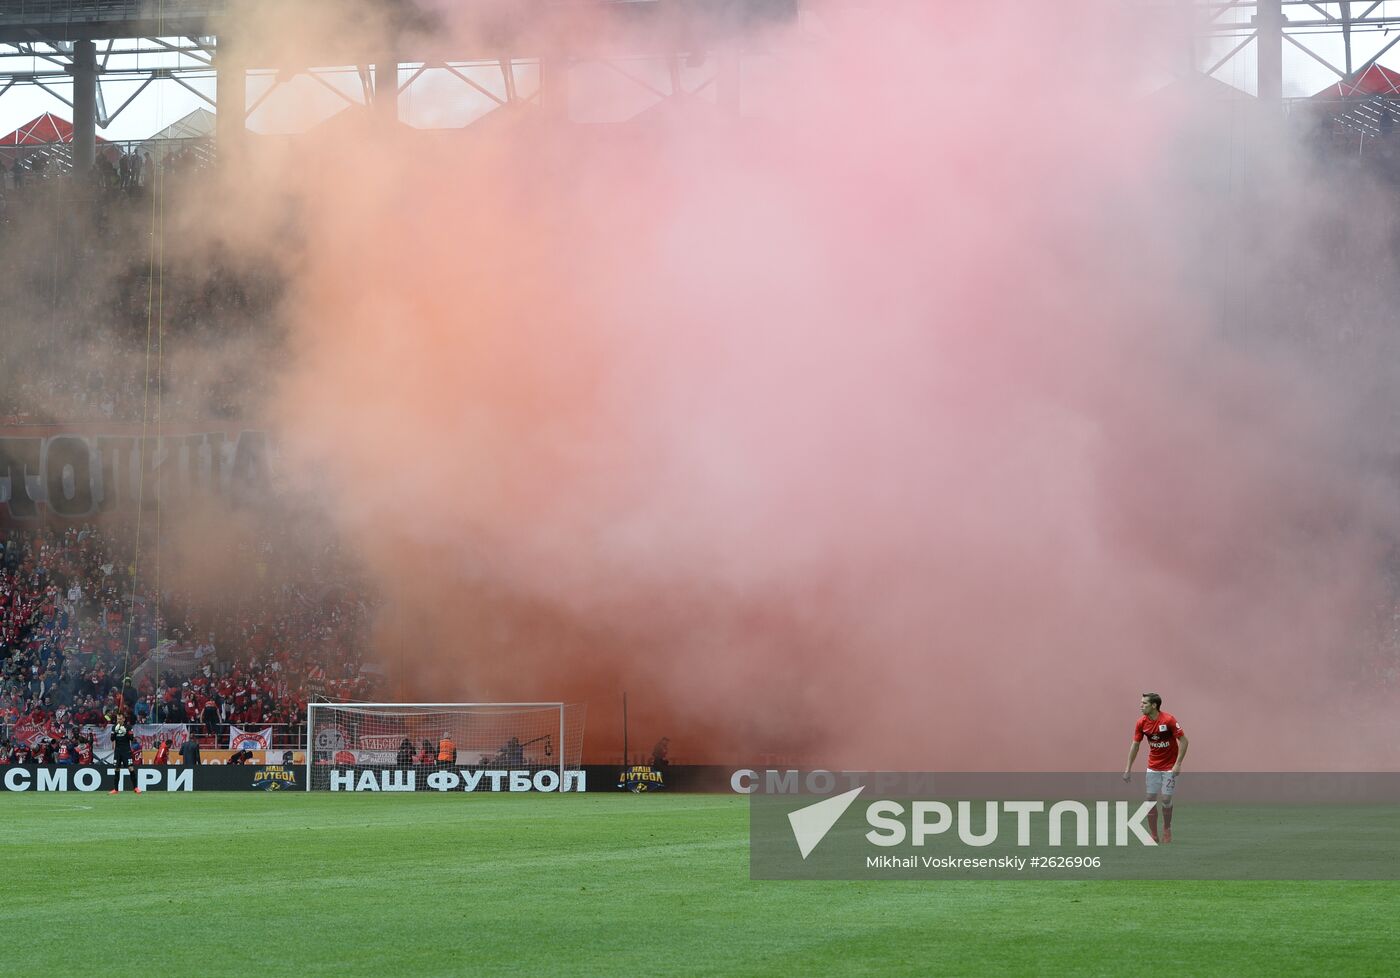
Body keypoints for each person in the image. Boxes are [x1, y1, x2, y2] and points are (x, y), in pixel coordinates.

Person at [1122, 692, 1189, 843]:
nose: (1141, 706)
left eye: (1144, 703)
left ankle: (1167, 827)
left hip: (1169, 767)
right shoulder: (1141, 723)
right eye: (1141, 703)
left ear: (1154, 705)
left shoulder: (1169, 720)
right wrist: (1128, 768)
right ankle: (1153, 834)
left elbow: (1184, 741)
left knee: (1165, 798)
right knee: (1150, 798)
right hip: (1153, 766)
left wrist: (1178, 764)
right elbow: (1135, 745)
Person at [109, 716, 142, 794]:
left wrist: (126, 732)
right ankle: (116, 789)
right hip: (117, 751)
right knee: (116, 769)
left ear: (123, 719)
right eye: (117, 719)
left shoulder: (128, 727)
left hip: (126, 751)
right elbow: (112, 739)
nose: (119, 720)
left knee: (131, 768)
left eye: (120, 719)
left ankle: (136, 788)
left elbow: (131, 738)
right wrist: (115, 732)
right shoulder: (114, 727)